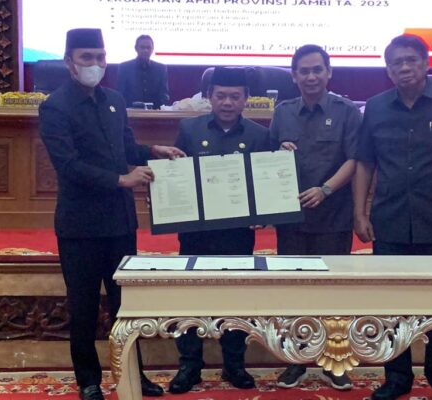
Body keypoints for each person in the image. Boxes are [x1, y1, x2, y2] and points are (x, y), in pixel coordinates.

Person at [39, 28, 185, 400]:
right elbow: (67, 165)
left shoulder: (115, 100)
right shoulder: (55, 106)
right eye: (86, 57)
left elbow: (124, 148)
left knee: (126, 308)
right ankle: (88, 381)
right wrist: (121, 179)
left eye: (101, 57)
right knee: (84, 308)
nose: (95, 64)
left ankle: (133, 375)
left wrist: (154, 150)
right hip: (81, 227)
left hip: (119, 223)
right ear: (69, 62)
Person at [353, 35, 432, 400]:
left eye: (411, 60)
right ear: (388, 69)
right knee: (392, 304)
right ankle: (397, 377)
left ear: (426, 64)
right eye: (397, 62)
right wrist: (359, 212)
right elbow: (365, 162)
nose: (404, 68)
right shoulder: (376, 106)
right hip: (390, 218)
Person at [167, 67, 270, 394]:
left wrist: (264, 212)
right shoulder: (189, 128)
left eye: (235, 96)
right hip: (196, 232)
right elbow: (175, 174)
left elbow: (264, 181)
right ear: (209, 96)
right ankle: (190, 366)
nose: (227, 102)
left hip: (237, 233)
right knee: (190, 297)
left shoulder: (259, 135)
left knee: (235, 295)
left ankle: (234, 364)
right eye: (221, 95)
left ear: (246, 98)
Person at [269, 44, 360, 391]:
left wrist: (325, 189)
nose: (311, 76)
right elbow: (268, 158)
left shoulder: (347, 111)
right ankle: (296, 360)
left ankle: (335, 361)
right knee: (294, 289)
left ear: (328, 72)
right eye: (304, 71)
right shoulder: (283, 112)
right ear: (294, 76)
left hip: (333, 215)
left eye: (317, 69)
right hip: (292, 219)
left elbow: (354, 160)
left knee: (333, 291)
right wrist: (278, 153)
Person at [116, 35, 170, 109]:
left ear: (152, 49)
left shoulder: (161, 69)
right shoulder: (124, 67)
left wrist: (162, 110)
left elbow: (164, 95)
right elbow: (120, 94)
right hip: (130, 112)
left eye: (148, 47)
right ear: (136, 48)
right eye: (142, 47)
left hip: (155, 112)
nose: (145, 50)